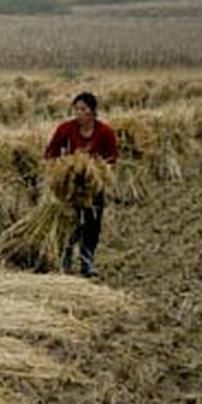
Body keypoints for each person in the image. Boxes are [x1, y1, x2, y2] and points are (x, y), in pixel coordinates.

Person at [45, 92, 118, 278]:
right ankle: (66, 261)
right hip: (69, 185)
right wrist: (62, 168)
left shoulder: (105, 132)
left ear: (93, 111)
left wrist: (97, 170)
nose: (78, 113)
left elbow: (112, 159)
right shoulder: (65, 129)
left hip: (94, 185)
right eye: (76, 109)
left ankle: (87, 261)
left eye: (83, 109)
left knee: (93, 224)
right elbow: (51, 152)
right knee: (69, 222)